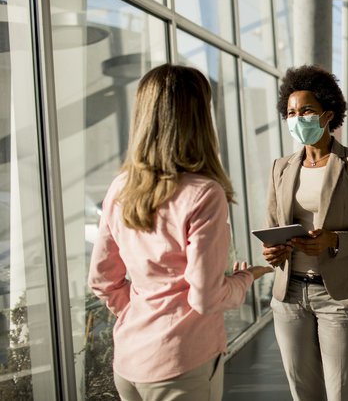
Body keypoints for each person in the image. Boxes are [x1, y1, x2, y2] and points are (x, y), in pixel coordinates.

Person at [88, 64, 272, 401]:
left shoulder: (119, 188)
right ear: (200, 119)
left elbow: (102, 280)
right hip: (181, 364)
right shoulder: (204, 194)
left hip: (129, 360)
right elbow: (204, 297)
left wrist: (143, 310)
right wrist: (247, 278)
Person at [262, 64, 348, 401]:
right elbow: (274, 228)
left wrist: (334, 240)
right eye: (290, 112)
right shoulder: (281, 167)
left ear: (327, 114)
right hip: (288, 295)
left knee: (343, 394)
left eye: (306, 110)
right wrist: (272, 251)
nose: (296, 117)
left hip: (339, 297)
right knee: (303, 394)